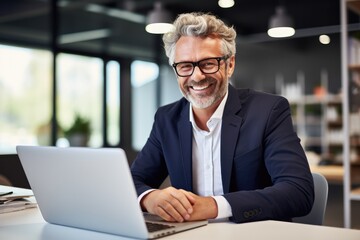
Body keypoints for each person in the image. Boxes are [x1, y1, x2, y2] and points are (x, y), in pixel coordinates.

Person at [130, 12, 314, 224]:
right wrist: (149, 198)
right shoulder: (166, 119)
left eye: (208, 63)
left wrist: (214, 206)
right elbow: (132, 181)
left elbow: (298, 191)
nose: (197, 76)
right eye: (185, 66)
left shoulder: (269, 111)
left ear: (230, 65)